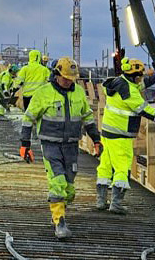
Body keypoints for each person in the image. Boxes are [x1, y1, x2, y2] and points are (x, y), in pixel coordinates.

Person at [20, 57, 102, 240]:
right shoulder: (44, 93)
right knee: (57, 182)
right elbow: (28, 118)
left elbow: (87, 118)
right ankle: (59, 222)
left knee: (69, 189)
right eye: (65, 78)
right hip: (50, 145)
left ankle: (59, 210)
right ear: (56, 74)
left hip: (71, 145)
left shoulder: (79, 93)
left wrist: (96, 140)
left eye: (71, 79)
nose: (68, 81)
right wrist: (25, 144)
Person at [98, 57, 155, 214]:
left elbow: (140, 86)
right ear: (133, 75)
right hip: (120, 135)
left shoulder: (120, 83)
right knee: (122, 168)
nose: (141, 78)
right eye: (140, 75)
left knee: (106, 165)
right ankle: (116, 203)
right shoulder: (130, 91)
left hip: (108, 132)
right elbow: (146, 110)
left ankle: (101, 200)